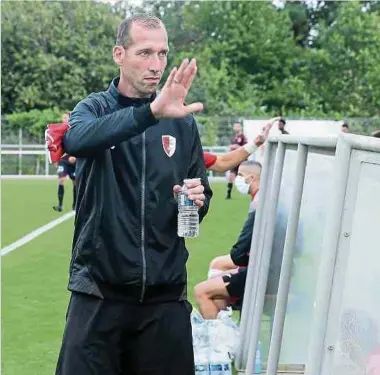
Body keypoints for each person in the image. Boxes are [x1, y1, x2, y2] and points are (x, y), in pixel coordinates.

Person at [51, 14, 212, 375]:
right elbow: (77, 140)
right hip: (99, 295)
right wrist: (151, 113)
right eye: (144, 53)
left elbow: (200, 198)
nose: (156, 65)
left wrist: (197, 200)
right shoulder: (93, 109)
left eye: (162, 54)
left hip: (164, 298)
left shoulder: (183, 122)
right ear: (118, 54)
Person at [194, 161, 262, 319]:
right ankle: (224, 325)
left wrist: (246, 260)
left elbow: (239, 254)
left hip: (262, 271)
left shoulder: (259, 204)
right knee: (217, 264)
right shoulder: (265, 197)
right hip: (266, 264)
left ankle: (219, 337)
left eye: (240, 175)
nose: (236, 179)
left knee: (202, 291)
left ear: (251, 178)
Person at [226, 122, 247, 199]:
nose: (236, 127)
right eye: (235, 126)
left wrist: (236, 146)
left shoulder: (243, 137)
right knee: (231, 176)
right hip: (234, 160)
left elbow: (245, 147)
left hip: (241, 160)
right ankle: (228, 194)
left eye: (237, 126)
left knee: (244, 176)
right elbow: (232, 148)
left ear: (240, 127)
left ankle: (248, 192)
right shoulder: (234, 137)